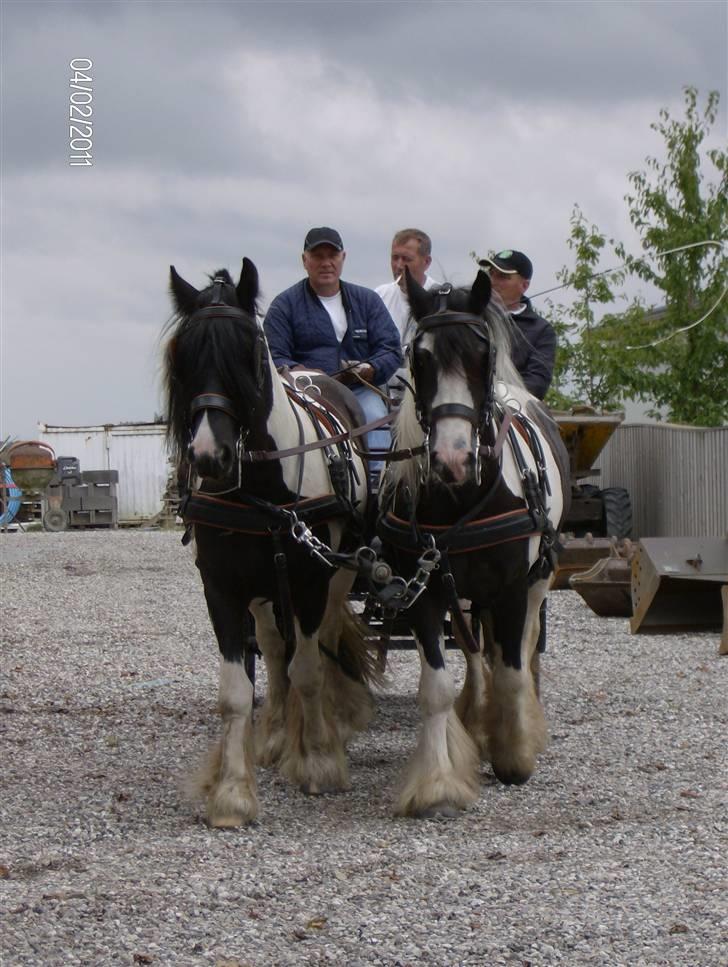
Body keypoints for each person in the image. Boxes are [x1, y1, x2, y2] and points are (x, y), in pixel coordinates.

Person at [263, 227, 402, 475]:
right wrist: (299, 372)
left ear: (343, 258)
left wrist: (370, 369)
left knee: (374, 417)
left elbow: (391, 349)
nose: (326, 263)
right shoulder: (284, 306)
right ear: (304, 260)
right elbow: (274, 355)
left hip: (360, 391)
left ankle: (377, 485)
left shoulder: (368, 301)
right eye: (318, 256)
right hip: (305, 395)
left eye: (332, 255)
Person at [478, 249, 556, 400]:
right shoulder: (470, 316)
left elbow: (536, 384)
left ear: (524, 286)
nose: (492, 282)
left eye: (502, 276)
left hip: (509, 408)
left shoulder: (541, 330)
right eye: (491, 274)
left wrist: (492, 395)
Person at [375, 229, 439, 401]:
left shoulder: (441, 300)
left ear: (426, 262)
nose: (398, 266)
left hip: (427, 397)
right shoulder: (378, 297)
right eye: (395, 258)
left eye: (407, 259)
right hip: (382, 394)